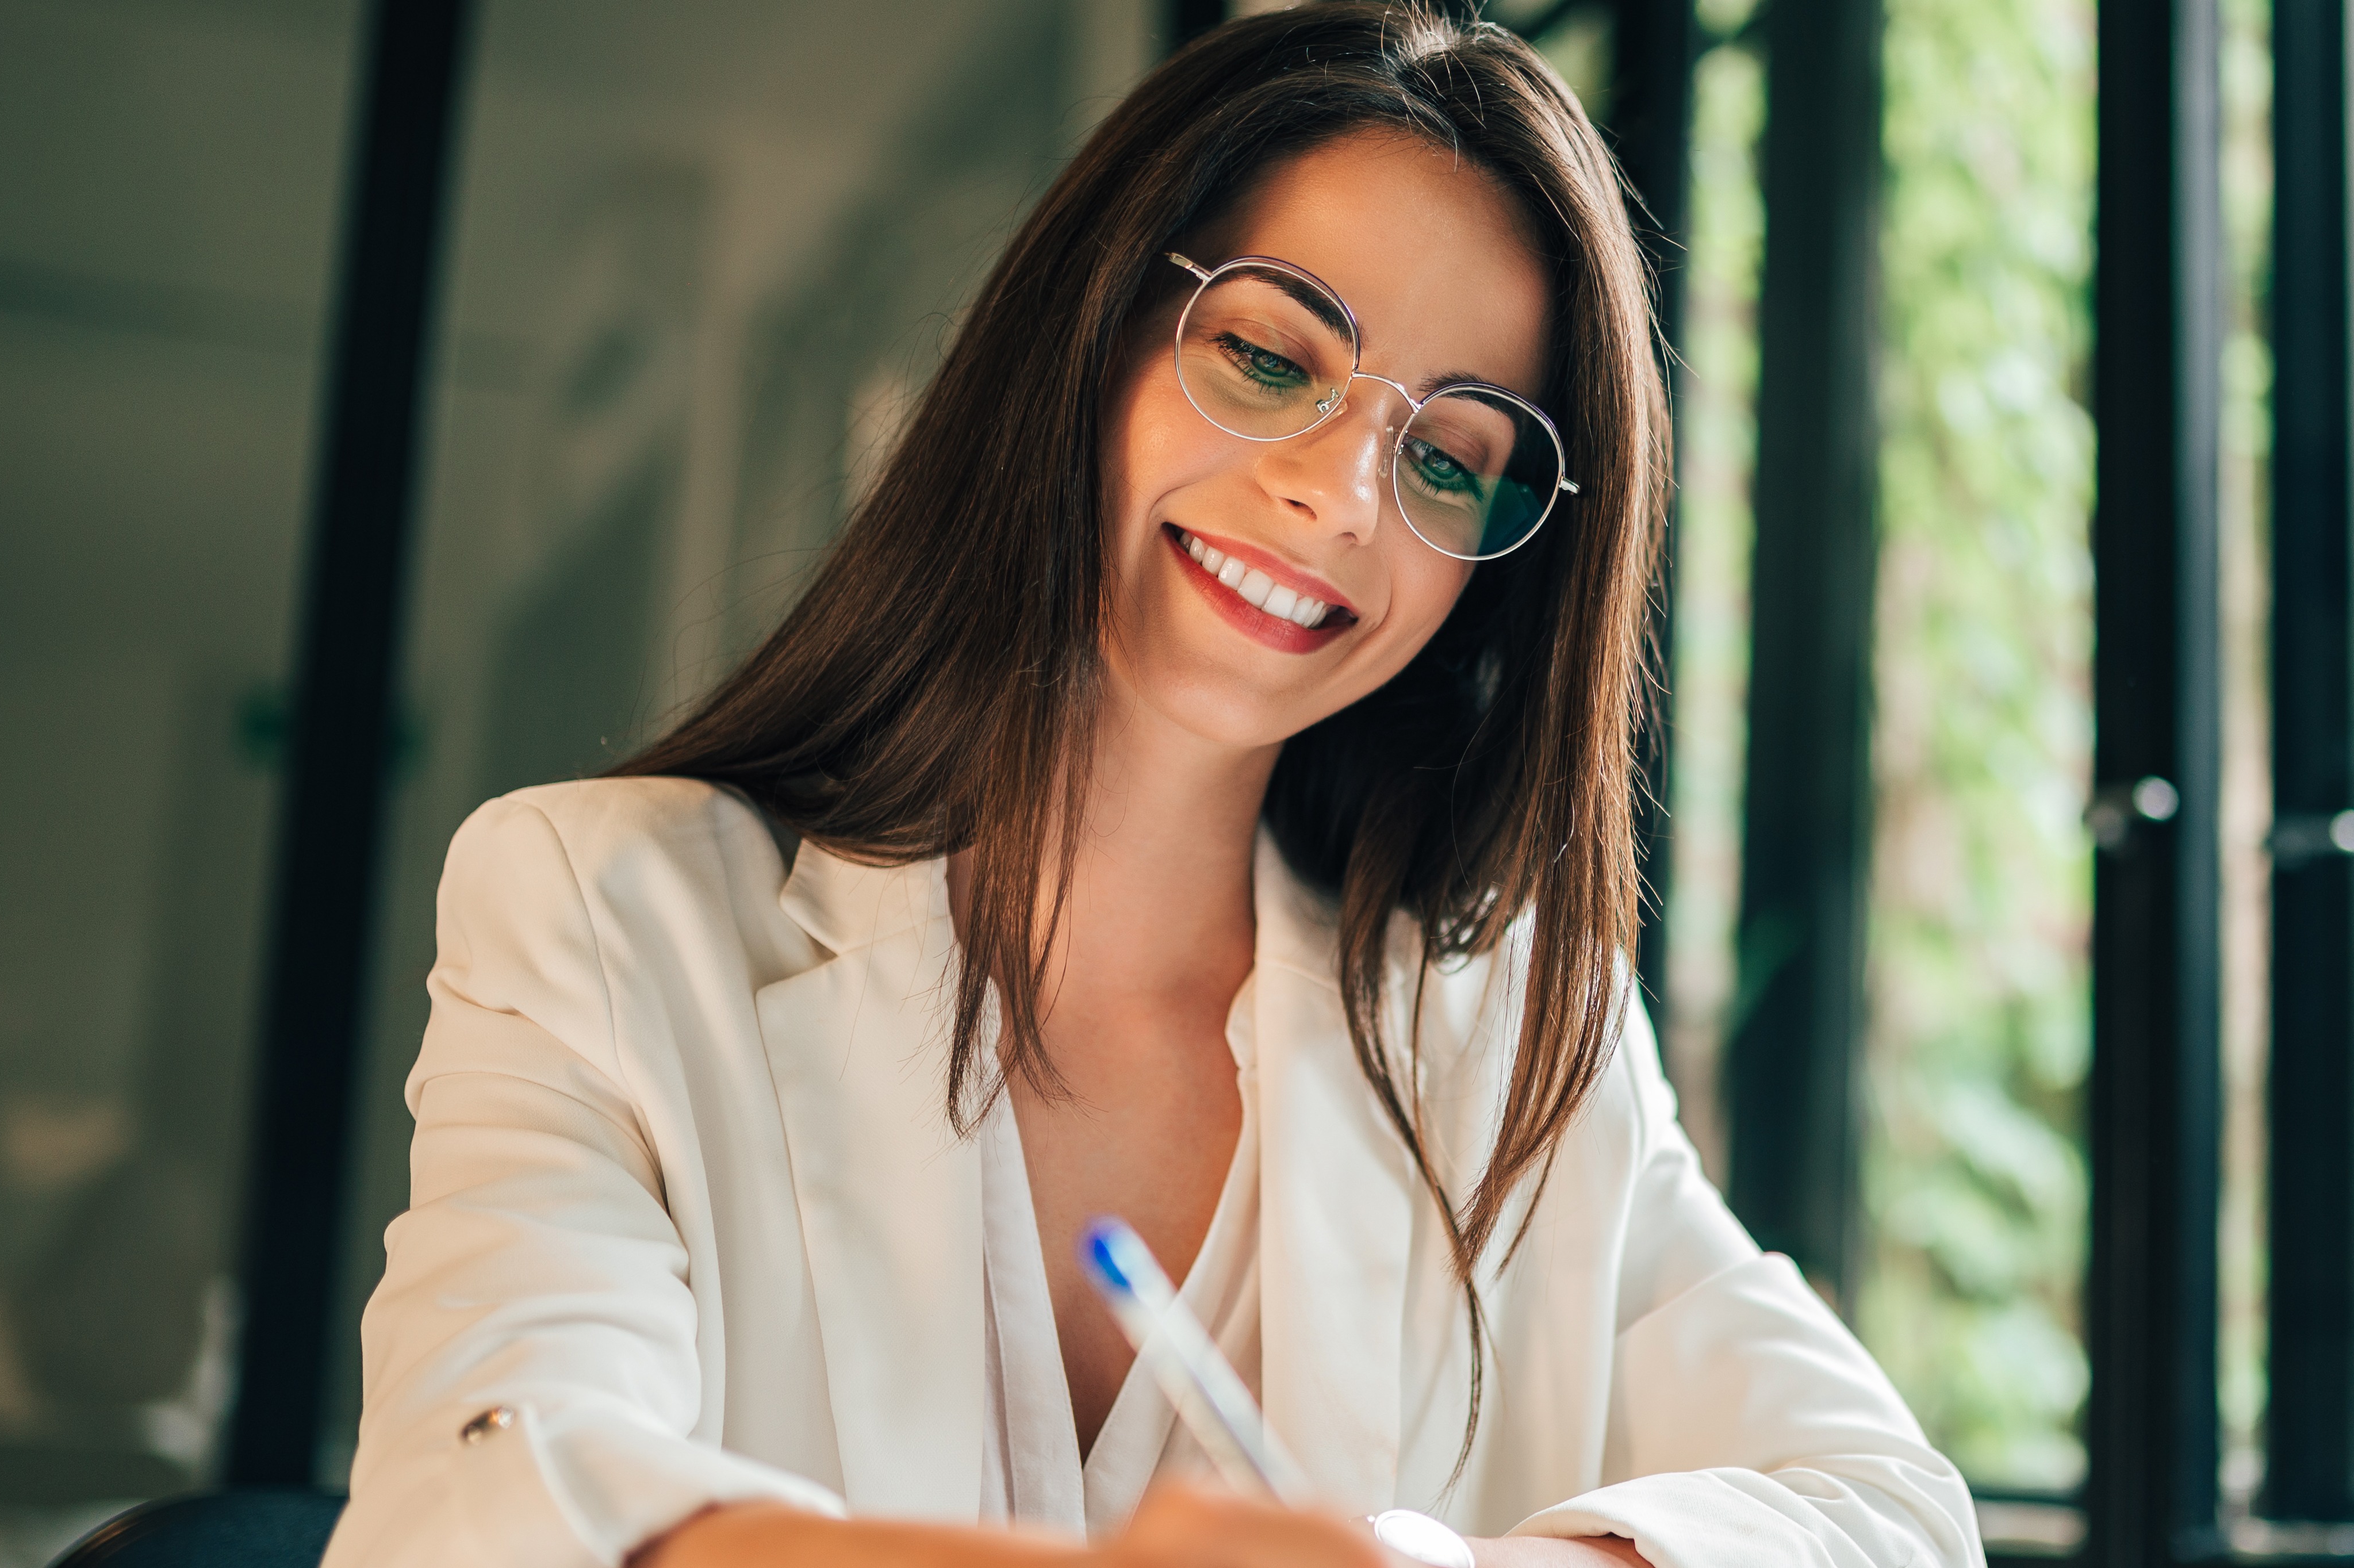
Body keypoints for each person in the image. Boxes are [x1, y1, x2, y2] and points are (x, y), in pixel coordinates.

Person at [324, 7, 1977, 1566]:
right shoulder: (602, 913)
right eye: (1269, 357)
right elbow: (480, 1496)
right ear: (1092, 337)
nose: (1339, 495)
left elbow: (1896, 1517)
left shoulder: (1516, 1039)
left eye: (1448, 461)